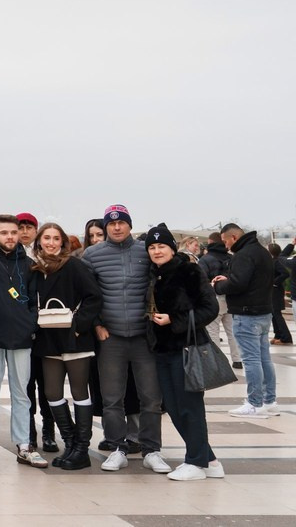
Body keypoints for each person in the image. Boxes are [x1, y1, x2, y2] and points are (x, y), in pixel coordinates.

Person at [82, 205, 170, 473]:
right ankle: (117, 447)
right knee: (112, 399)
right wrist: (96, 324)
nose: (117, 227)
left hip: (144, 337)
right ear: (106, 226)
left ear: (130, 225)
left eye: (122, 223)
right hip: (112, 337)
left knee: (151, 398)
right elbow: (86, 294)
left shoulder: (145, 251)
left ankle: (152, 449)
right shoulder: (92, 255)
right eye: (112, 223)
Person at [146, 223, 225, 481]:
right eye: (152, 247)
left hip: (186, 348)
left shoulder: (189, 271)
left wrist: (175, 319)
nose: (157, 251)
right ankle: (209, 459)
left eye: (162, 246)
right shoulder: (153, 273)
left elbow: (209, 308)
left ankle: (196, 462)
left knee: (189, 406)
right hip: (162, 349)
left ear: (172, 248)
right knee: (172, 405)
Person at [0, 214, 47, 469]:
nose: (10, 237)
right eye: (4, 233)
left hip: (22, 337)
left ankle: (24, 445)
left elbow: (36, 299)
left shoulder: (28, 264)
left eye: (14, 232)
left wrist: (30, 323)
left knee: (21, 393)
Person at [31, 222, 102, 470]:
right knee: (52, 392)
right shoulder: (36, 269)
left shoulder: (73, 265)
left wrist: (80, 326)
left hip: (75, 338)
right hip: (47, 339)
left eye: (55, 238)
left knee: (80, 391)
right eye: (46, 238)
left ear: (63, 242)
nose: (50, 242)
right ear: (39, 241)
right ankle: (70, 442)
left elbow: (94, 296)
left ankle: (82, 448)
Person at [212, 223, 277, 416]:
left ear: (233, 238)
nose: (225, 246)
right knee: (264, 358)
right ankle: (269, 400)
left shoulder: (243, 255)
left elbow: (238, 284)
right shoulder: (262, 252)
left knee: (251, 359)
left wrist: (219, 286)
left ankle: (254, 403)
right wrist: (229, 279)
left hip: (246, 313)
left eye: (225, 241)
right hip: (263, 312)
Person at [16, 211, 56, 453]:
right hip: (23, 330)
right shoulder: (13, 258)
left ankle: (49, 432)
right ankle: (28, 433)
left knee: (48, 385)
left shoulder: (44, 257)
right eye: (20, 227)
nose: (24, 231)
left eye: (29, 227)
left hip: (48, 329)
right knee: (26, 386)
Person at [198, 231, 241, 367]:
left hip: (214, 297)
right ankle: (237, 359)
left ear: (210, 242)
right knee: (232, 331)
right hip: (232, 297)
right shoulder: (232, 257)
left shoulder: (205, 259)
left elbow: (201, 279)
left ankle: (218, 362)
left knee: (213, 330)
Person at [266, 243, 292, 345]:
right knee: (273, 314)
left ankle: (286, 338)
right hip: (272, 292)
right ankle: (278, 335)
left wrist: (274, 282)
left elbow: (285, 273)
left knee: (277, 314)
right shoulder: (272, 261)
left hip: (276, 291)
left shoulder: (277, 262)